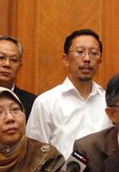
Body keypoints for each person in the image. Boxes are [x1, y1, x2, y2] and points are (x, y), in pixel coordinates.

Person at [26, 29, 111, 157]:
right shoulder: (46, 102)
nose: (87, 58)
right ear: (65, 59)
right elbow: (33, 154)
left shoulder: (108, 101)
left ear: (100, 61)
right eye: (80, 52)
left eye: (94, 53)